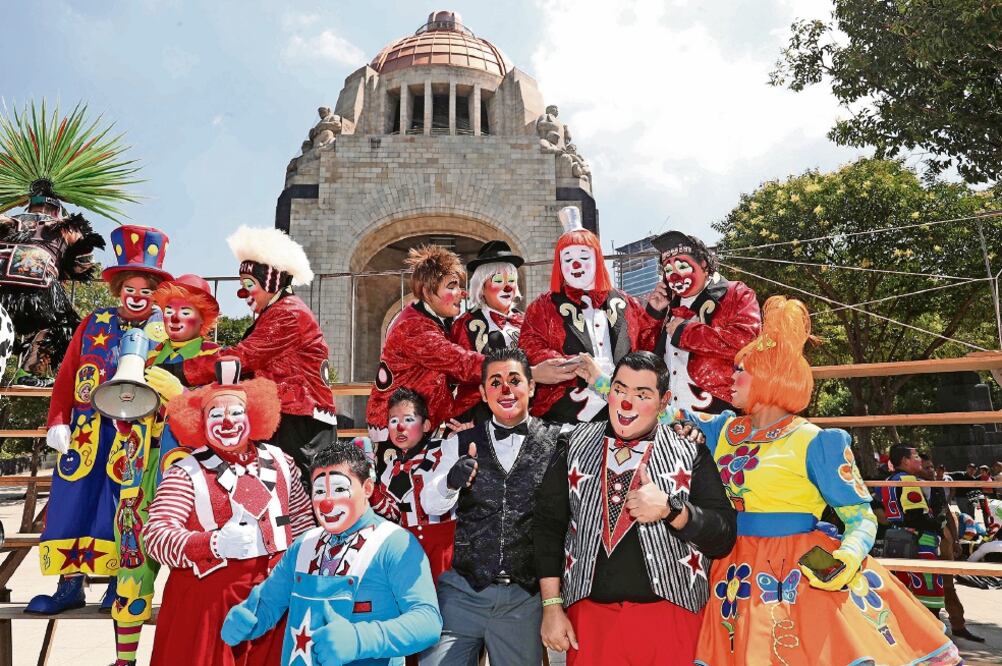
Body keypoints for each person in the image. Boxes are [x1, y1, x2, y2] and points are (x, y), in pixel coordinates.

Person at [688, 296, 959, 665]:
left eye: (741, 370)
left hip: (801, 570)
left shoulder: (817, 441)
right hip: (734, 567)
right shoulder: (721, 429)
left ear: (769, 375)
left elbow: (861, 516)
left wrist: (847, 557)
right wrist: (602, 382)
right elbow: (655, 411)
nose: (730, 378)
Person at [534, 351, 737, 665]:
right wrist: (551, 606)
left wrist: (673, 511)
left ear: (664, 400)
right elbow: (548, 527)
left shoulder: (689, 451)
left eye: (642, 394)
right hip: (591, 625)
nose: (626, 404)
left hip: (671, 621)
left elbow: (723, 536)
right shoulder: (571, 444)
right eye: (619, 390)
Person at [143, 358, 314, 665]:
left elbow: (302, 523)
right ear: (200, 421)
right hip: (210, 607)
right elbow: (156, 536)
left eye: (236, 413)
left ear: (253, 417)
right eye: (215, 415)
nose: (227, 422)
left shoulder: (281, 462)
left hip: (275, 601)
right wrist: (212, 544)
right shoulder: (186, 473)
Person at [220, 440, 442, 666]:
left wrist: (360, 639)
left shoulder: (394, 543)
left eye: (339, 489)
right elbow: (268, 603)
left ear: (367, 488)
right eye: (319, 491)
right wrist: (247, 619)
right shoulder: (303, 545)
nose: (326, 502)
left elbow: (428, 622)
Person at [420, 348, 567, 666]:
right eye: (495, 382)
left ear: (531, 386)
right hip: (462, 592)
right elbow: (429, 502)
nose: (506, 389)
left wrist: (675, 425)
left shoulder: (560, 442)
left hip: (521, 600)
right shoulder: (459, 442)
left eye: (515, 380)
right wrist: (451, 480)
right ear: (485, 393)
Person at [165, 226, 337, 484]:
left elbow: (243, 357)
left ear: (272, 281)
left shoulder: (287, 313)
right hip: (288, 416)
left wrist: (179, 371)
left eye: (249, 285)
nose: (243, 294)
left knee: (296, 489)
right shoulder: (277, 312)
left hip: (299, 420)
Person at [0, 102, 136, 387]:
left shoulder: (10, 220)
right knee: (61, 324)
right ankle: (30, 372)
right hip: (40, 292)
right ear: (58, 208)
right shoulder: (67, 228)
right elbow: (83, 265)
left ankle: (25, 369)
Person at [520, 206, 659, 423]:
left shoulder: (626, 303)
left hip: (623, 409)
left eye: (583, 256)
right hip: (565, 412)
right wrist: (571, 363)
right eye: (567, 259)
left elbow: (648, 344)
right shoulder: (543, 306)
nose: (575, 264)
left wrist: (656, 313)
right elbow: (530, 347)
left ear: (597, 259)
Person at [642, 231, 760, 414]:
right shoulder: (668, 306)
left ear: (703, 264)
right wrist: (654, 315)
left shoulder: (735, 293)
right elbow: (642, 359)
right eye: (668, 269)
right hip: (670, 421)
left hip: (720, 415)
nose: (675, 275)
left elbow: (746, 344)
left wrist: (687, 333)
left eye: (682, 265)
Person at [377, 388, 457, 583]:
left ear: (427, 424)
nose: (400, 427)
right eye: (393, 421)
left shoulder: (445, 450)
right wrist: (369, 493)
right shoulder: (389, 471)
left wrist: (466, 436)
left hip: (447, 550)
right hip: (409, 551)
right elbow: (392, 513)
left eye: (408, 419)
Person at [451, 240, 525, 418]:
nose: (507, 287)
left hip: (521, 411)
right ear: (482, 287)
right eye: (498, 280)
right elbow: (459, 371)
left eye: (512, 281)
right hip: (477, 414)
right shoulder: (465, 324)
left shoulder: (525, 322)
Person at [878, 444, 947, 614]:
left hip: (897, 540)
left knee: (905, 594)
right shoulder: (907, 480)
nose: (920, 461)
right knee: (927, 599)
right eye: (915, 457)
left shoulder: (888, 480)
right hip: (919, 542)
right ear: (904, 461)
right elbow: (915, 515)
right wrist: (939, 524)